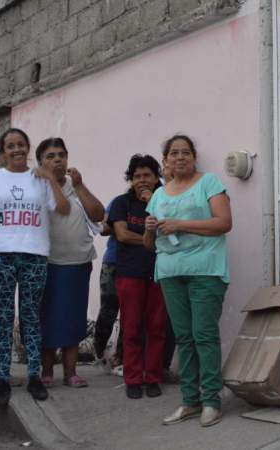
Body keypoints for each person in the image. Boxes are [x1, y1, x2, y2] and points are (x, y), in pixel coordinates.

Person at [0, 128, 70, 406]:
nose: (16, 150)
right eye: (10, 146)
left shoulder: (39, 178)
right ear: (2, 152)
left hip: (34, 254)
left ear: (28, 147)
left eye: (21, 145)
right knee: (2, 315)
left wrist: (51, 178)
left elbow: (63, 209)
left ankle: (34, 375)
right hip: (0, 254)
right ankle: (2, 376)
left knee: (30, 315)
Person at [145, 135, 231, 428]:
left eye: (185, 152)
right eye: (173, 153)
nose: (179, 157)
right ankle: (189, 401)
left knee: (204, 335)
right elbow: (149, 244)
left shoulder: (209, 183)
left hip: (205, 269)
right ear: (165, 161)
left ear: (194, 157)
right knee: (184, 337)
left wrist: (180, 224)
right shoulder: (159, 194)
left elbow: (223, 222)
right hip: (170, 272)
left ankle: (211, 401)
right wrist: (149, 229)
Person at [36, 138, 104, 388]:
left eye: (61, 155)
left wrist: (81, 185)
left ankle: (71, 372)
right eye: (51, 156)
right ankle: (46, 371)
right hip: (47, 263)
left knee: (73, 318)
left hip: (78, 262)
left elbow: (98, 214)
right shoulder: (35, 188)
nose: (57, 160)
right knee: (48, 318)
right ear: (41, 162)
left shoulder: (76, 187)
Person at [108, 154, 167, 400]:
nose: (142, 180)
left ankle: (152, 377)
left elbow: (172, 230)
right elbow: (121, 235)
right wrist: (150, 239)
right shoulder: (123, 202)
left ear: (156, 178)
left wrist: (154, 203)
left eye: (147, 175)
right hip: (129, 273)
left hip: (160, 271)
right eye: (137, 176)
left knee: (157, 328)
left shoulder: (166, 198)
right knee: (131, 328)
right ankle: (132, 379)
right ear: (131, 179)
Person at [92, 200, 124, 370]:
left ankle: (120, 357)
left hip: (139, 264)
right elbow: (103, 228)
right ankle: (99, 352)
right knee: (108, 310)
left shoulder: (155, 200)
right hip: (113, 262)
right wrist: (121, 226)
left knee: (131, 314)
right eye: (136, 177)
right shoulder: (118, 202)